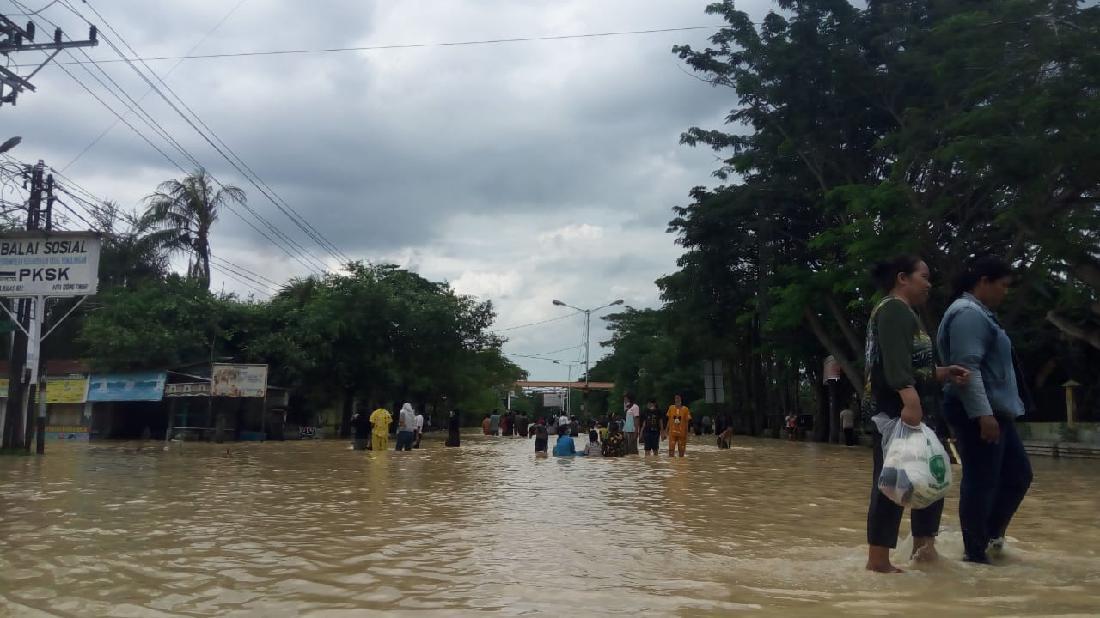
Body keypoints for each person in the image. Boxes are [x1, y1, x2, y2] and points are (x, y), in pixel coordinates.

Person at [863, 255, 970, 573]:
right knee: (892, 482)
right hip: (899, 413)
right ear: (902, 278)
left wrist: (945, 372)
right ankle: (878, 562)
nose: (929, 283)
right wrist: (910, 401)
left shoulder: (905, 312)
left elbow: (913, 366)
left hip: (914, 411)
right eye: (924, 276)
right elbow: (896, 366)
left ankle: (925, 552)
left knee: (927, 477)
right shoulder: (894, 310)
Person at [937, 256, 1032, 564]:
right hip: (979, 410)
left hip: (995, 410)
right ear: (983, 282)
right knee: (981, 480)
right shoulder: (968, 314)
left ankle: (989, 541)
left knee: (1017, 475)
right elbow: (967, 368)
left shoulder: (981, 314)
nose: (1006, 292)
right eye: (1003, 285)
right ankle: (975, 554)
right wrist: (982, 414)